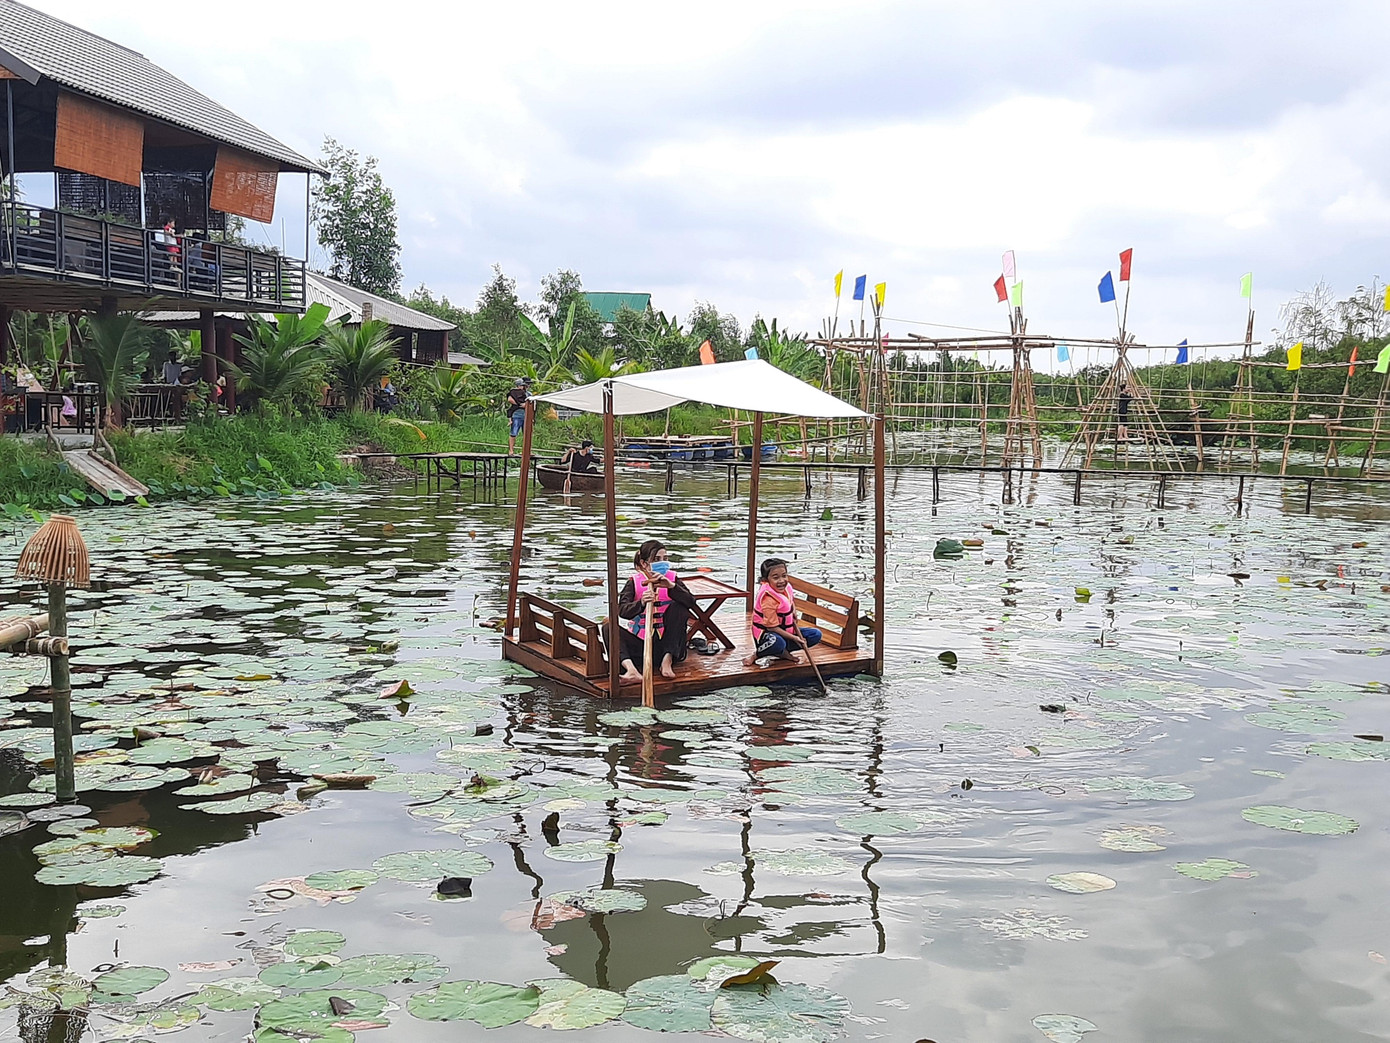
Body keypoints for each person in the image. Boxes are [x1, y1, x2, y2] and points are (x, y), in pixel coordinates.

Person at [607, 540, 695, 683]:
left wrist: (672, 587)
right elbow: (622, 610)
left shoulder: (672, 578)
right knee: (608, 627)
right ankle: (631, 671)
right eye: (656, 559)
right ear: (644, 563)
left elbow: (691, 602)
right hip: (641, 647)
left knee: (680, 607)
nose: (662, 563)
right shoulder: (633, 582)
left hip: (667, 645)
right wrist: (641, 603)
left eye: (665, 559)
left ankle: (667, 661)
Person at [743, 557, 822, 667]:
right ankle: (756, 655)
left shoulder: (786, 588)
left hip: (786, 632)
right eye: (776, 578)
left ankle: (783, 653)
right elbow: (772, 627)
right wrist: (795, 638)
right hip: (768, 636)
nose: (781, 581)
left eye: (784, 576)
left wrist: (793, 610)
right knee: (777, 643)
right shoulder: (768, 599)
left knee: (816, 634)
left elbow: (790, 601)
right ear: (766, 580)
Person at [505, 376, 533, 455]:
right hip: (517, 415)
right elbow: (510, 399)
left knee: (527, 434)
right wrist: (520, 404)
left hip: (526, 416)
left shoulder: (529, 394)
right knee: (513, 433)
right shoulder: (514, 392)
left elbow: (532, 405)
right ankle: (511, 450)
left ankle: (526, 451)